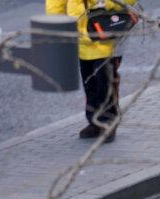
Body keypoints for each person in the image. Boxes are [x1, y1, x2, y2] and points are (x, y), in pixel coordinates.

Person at [45, 0, 135, 142]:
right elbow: (56, 3)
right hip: (82, 35)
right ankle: (94, 121)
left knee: (105, 82)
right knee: (89, 82)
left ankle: (108, 122)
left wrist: (106, 3)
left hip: (106, 31)